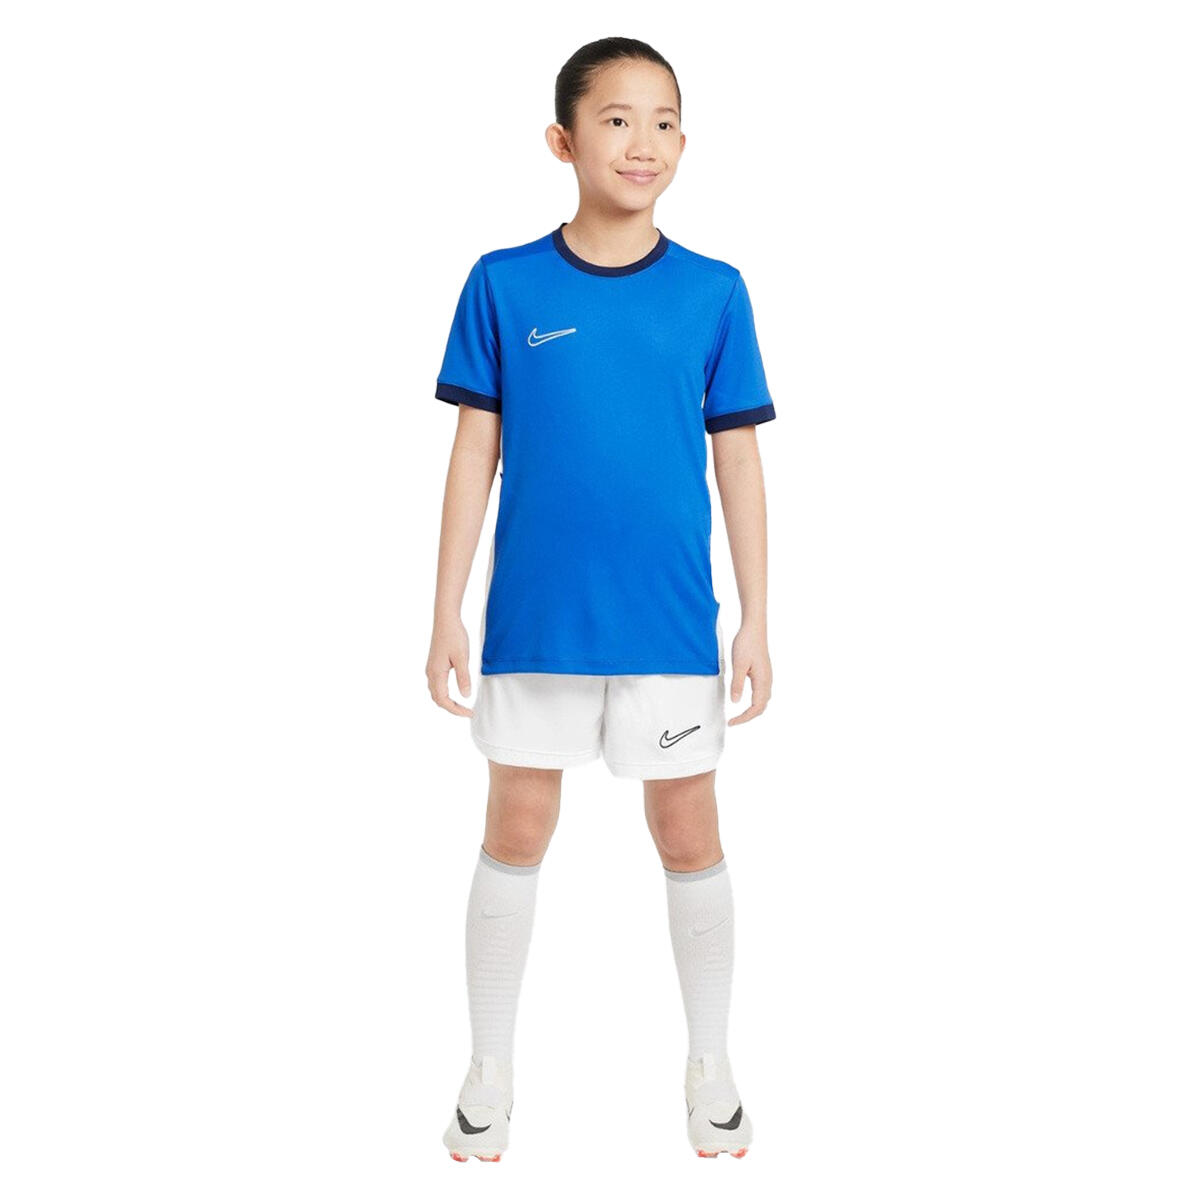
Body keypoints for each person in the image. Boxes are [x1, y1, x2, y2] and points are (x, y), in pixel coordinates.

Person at [427, 36, 775, 1161]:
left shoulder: (714, 292)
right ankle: (488, 1071)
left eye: (664, 120)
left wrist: (757, 618)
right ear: (563, 139)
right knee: (516, 826)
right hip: (536, 623)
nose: (644, 141)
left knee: (688, 829)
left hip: (670, 625)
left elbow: (737, 461)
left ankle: (711, 1066)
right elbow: (474, 452)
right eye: (618, 119)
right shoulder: (503, 283)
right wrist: (445, 609)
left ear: (685, 142)